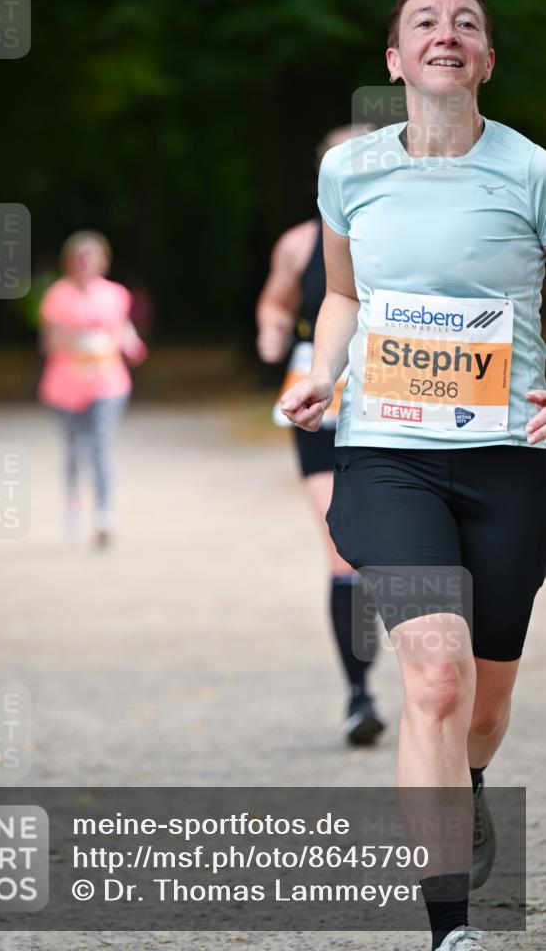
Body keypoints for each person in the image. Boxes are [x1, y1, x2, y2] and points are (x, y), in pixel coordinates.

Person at [280, 0, 546, 951]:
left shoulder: (532, 171)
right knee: (434, 680)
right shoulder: (348, 174)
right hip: (388, 451)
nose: (446, 33)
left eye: (465, 23)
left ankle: (467, 776)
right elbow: (341, 295)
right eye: (424, 22)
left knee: (485, 695)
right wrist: (321, 371)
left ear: (482, 57)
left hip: (509, 456)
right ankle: (449, 929)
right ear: (394, 59)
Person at [256, 125, 387, 745]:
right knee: (343, 549)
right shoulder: (298, 244)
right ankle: (359, 695)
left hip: (401, 405)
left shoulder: (406, 236)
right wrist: (273, 332)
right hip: (322, 404)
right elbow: (276, 302)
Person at [39, 231, 147, 547]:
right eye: (79, 255)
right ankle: (74, 504)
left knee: (101, 444)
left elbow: (122, 329)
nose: (85, 261)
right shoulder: (57, 296)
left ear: (104, 260)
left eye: (92, 255)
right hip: (65, 385)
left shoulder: (116, 294)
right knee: (75, 449)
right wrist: (82, 337)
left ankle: (103, 513)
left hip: (108, 383)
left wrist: (129, 342)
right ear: (69, 261)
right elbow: (50, 342)